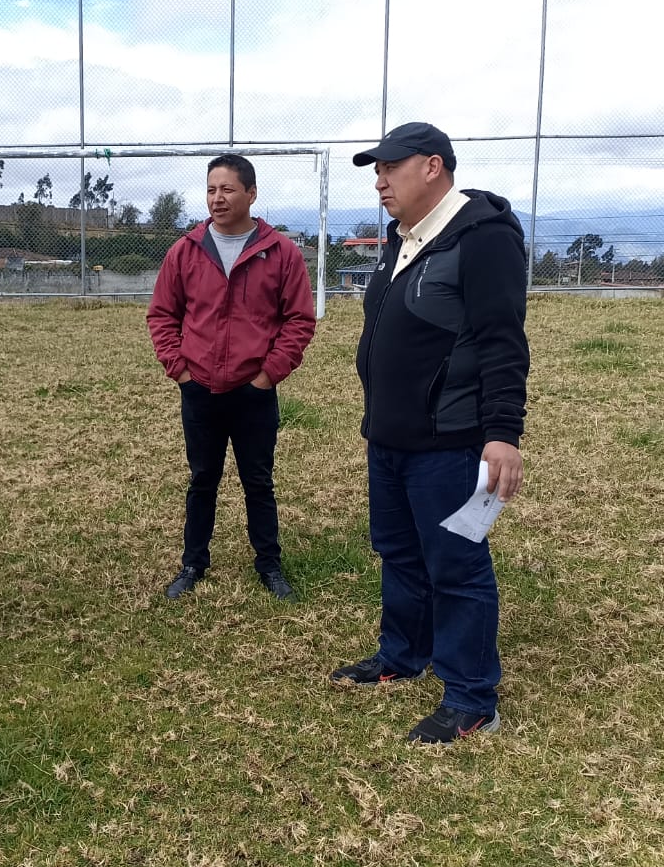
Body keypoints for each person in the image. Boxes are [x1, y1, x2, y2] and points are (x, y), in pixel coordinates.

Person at [329, 122, 530, 744]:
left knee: (456, 567)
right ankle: (403, 655)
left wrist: (502, 433)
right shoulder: (402, 238)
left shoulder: (483, 238)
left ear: (433, 167)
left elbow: (502, 341)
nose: (380, 181)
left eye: (391, 167)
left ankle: (472, 698)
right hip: (390, 438)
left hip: (451, 442)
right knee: (398, 551)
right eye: (376, 171)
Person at [146, 153, 317, 601]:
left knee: (258, 481)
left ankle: (269, 565)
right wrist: (180, 369)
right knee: (202, 479)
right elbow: (162, 315)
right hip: (199, 389)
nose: (217, 198)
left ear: (251, 193)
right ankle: (193, 563)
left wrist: (268, 375)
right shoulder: (185, 251)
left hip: (253, 392)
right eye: (211, 190)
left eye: (227, 189)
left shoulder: (280, 253)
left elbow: (299, 320)